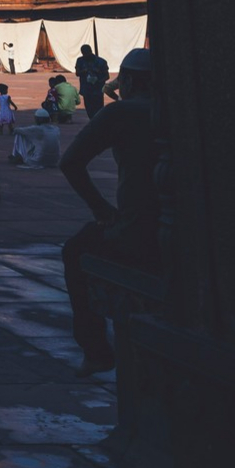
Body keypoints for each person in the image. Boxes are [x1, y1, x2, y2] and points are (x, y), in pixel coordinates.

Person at [59, 46, 158, 376]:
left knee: (76, 251)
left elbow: (70, 162)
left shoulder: (121, 113)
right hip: (188, 228)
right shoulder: (178, 109)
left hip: (137, 231)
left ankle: (96, 350)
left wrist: (102, 209)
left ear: (127, 81)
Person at [76, 44, 109, 118]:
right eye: (84, 54)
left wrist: (98, 80)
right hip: (86, 89)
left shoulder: (101, 61)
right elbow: (77, 73)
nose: (85, 55)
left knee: (99, 109)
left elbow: (107, 76)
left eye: (86, 53)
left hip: (97, 89)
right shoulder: (80, 61)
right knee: (89, 109)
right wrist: (84, 71)